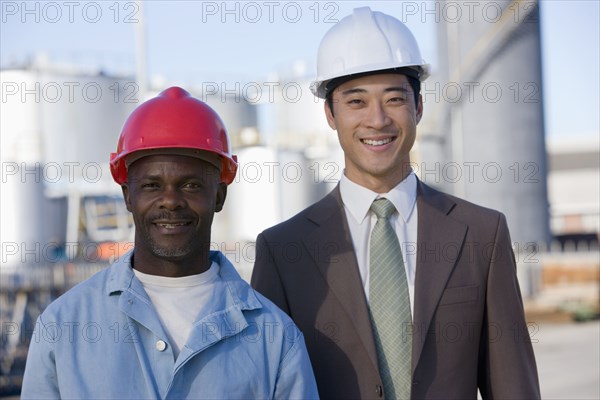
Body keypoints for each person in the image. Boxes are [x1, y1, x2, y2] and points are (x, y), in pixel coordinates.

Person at [251, 7, 540, 400]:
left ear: (418, 108)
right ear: (330, 114)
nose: (378, 120)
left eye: (394, 99)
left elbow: (513, 387)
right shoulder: (284, 250)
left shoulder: (482, 235)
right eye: (356, 102)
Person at [21, 87, 319, 399]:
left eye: (190, 185)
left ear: (218, 196)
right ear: (128, 197)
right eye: (151, 185)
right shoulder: (62, 326)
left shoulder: (275, 338)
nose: (170, 201)